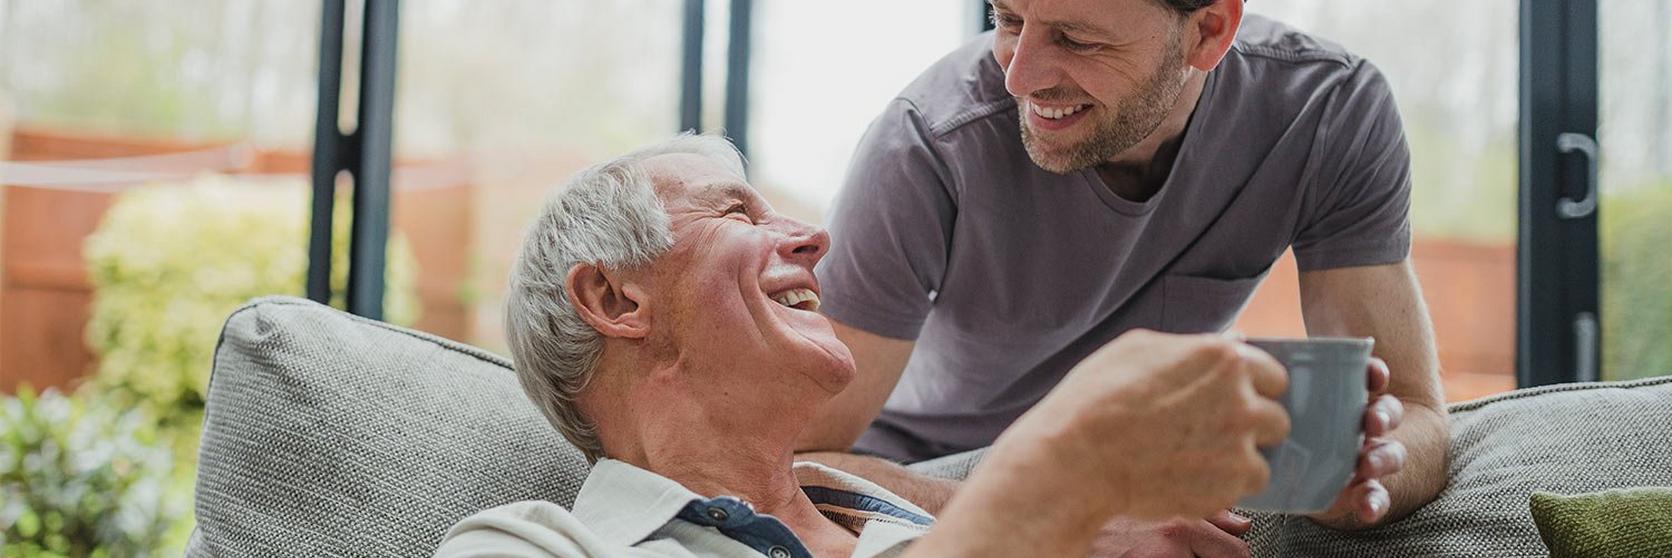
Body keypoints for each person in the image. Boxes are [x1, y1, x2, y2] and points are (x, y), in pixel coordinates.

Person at [433, 135, 1393, 557]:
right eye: (736, 213)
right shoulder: (529, 545)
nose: (812, 238)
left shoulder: (917, 535)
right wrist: (1053, 483)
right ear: (612, 295)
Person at [799, 0, 1448, 552]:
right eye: (1008, 19)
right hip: (926, 474)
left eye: (1076, 39)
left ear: (1208, 32)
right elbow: (788, 462)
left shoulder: (1328, 111)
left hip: (1135, 464)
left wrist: (1355, 476)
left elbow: (1414, 413)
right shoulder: (924, 146)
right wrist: (1069, 518)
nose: (1020, 76)